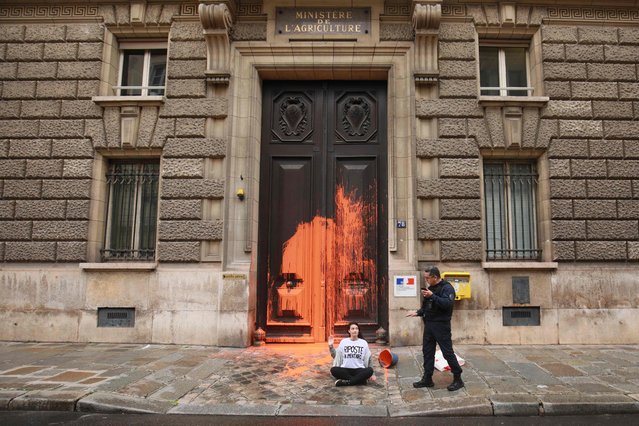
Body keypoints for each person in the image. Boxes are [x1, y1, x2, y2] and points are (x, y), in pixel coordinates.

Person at [406, 266, 464, 391]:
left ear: (435, 277)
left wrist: (432, 296)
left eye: (428, 277)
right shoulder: (430, 289)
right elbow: (427, 307)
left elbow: (447, 304)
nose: (426, 280)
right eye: (425, 277)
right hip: (429, 325)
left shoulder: (447, 288)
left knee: (447, 353)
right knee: (427, 352)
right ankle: (427, 379)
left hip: (441, 326)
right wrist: (418, 312)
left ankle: (458, 379)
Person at [328, 322, 375, 386]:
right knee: (333, 370)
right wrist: (331, 346)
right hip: (345, 369)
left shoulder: (363, 343)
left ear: (358, 331)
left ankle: (348, 382)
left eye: (356, 328)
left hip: (359, 370)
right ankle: (359, 380)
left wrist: (373, 374)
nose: (355, 330)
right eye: (352, 329)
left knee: (370, 370)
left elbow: (369, 358)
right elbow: (335, 356)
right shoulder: (344, 342)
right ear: (349, 331)